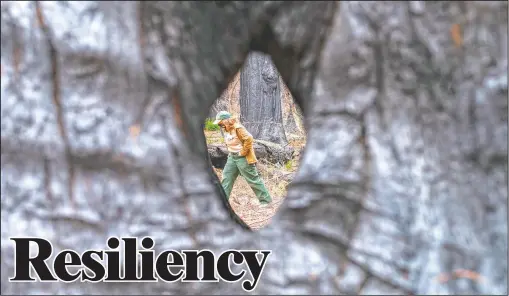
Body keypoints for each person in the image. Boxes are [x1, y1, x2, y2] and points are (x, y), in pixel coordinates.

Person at [213, 111, 272, 206]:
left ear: (226, 120)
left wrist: (243, 152)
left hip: (243, 158)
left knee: (252, 179)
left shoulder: (238, 128)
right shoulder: (226, 128)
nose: (219, 124)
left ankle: (266, 201)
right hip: (232, 157)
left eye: (220, 122)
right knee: (226, 178)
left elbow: (249, 138)